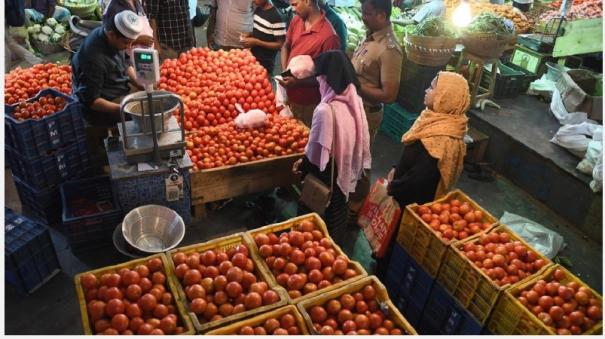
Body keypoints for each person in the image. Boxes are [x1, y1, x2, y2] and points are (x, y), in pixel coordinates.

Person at [376, 71, 470, 278]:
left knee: (396, 244)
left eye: (432, 87)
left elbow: (418, 181)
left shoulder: (443, 136)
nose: (427, 91)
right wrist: (396, 167)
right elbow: (411, 152)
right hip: (405, 188)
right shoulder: (434, 119)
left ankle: (385, 278)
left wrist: (393, 187)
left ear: (445, 96)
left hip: (413, 203)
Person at [293, 51, 371, 247]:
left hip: (325, 177)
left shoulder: (325, 111)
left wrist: (301, 166)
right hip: (344, 177)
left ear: (325, 77)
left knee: (312, 230)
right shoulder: (355, 102)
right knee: (335, 226)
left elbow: (316, 156)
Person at [348, 0, 402, 214]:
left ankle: (355, 207)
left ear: (381, 14)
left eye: (367, 13)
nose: (363, 16)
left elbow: (389, 95)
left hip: (367, 113)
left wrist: (356, 85)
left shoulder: (390, 50)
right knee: (348, 157)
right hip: (352, 107)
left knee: (360, 162)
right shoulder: (369, 35)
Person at [71, 10, 143, 169]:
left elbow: (125, 64)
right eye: (126, 43)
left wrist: (140, 83)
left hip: (116, 90)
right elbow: (92, 100)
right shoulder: (93, 58)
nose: (129, 47)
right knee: (102, 160)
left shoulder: (113, 38)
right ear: (111, 34)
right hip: (99, 108)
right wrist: (124, 110)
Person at [278, 0, 341, 127]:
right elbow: (286, 46)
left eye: (295, 4)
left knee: (306, 141)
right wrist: (286, 72)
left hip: (310, 105)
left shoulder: (329, 37)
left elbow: (330, 78)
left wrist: (298, 82)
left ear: (307, 1)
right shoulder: (297, 20)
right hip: (289, 97)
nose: (293, 9)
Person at [242, 0, 286, 75]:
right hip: (252, 60)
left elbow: (280, 45)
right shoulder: (258, 9)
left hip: (265, 65)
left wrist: (256, 42)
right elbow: (262, 31)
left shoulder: (277, 17)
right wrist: (249, 34)